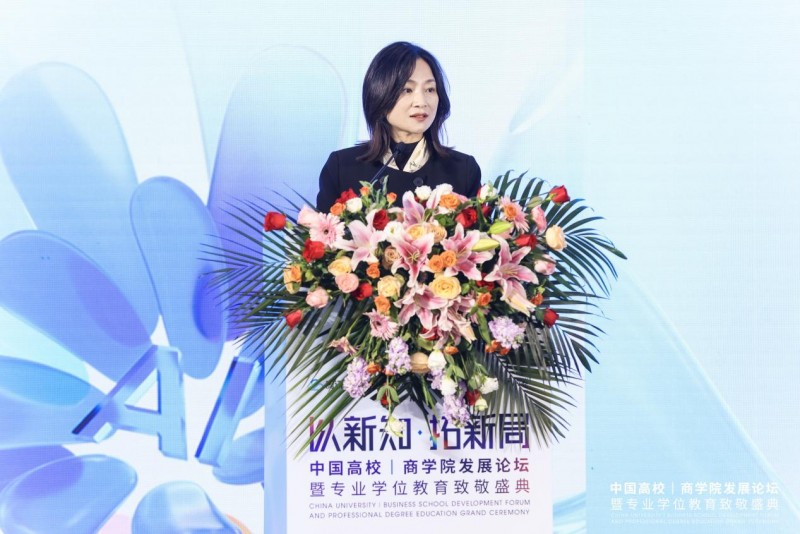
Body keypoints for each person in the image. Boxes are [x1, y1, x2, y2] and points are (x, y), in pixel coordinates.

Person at [316, 41, 481, 212]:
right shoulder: (342, 167)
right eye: (407, 90)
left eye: (430, 89)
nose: (421, 102)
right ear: (380, 94)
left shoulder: (463, 170)